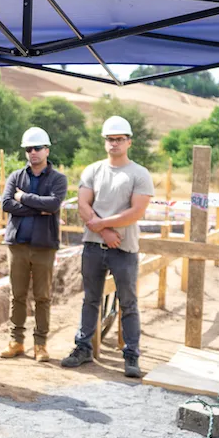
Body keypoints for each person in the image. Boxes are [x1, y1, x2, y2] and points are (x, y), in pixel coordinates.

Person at [60, 115, 154, 379]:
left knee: (129, 302)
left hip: (123, 249)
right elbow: (82, 205)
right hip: (93, 246)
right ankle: (83, 347)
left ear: (129, 142)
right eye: (110, 139)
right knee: (90, 299)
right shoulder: (92, 170)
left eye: (119, 139)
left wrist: (103, 226)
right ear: (105, 142)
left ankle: (131, 355)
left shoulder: (139, 174)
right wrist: (105, 230)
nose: (114, 143)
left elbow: (136, 212)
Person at [0, 127, 68, 362]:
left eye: (37, 148)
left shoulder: (58, 179)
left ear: (47, 150)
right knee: (17, 295)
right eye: (29, 148)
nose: (33, 152)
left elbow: (54, 204)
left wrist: (23, 198)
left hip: (44, 246)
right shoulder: (15, 177)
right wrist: (39, 208)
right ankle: (16, 341)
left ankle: (41, 344)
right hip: (17, 245)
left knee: (42, 297)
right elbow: (7, 204)